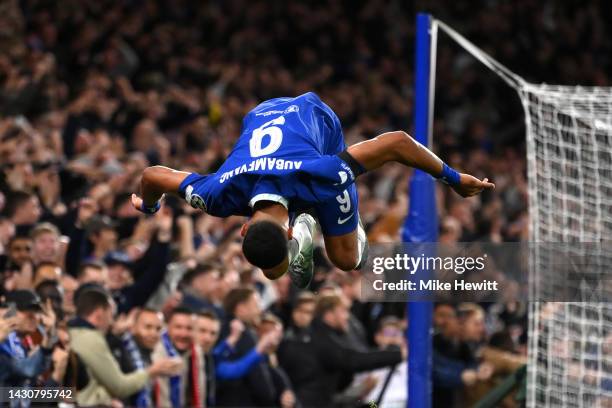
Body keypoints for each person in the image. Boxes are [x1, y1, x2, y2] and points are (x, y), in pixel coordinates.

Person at [131, 92, 494, 288]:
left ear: (242, 227)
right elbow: (151, 176)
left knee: (346, 261)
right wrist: (148, 205)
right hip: (259, 112)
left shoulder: (325, 172)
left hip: (317, 122)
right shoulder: (214, 195)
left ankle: (314, 219)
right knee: (272, 266)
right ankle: (306, 220)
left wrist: (453, 178)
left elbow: (396, 142)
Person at [67, 287, 182, 407]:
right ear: (99, 313)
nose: (111, 322)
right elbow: (119, 387)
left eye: (158, 329)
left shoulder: (71, 332)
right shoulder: (90, 339)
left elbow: (52, 392)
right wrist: (151, 372)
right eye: (111, 315)